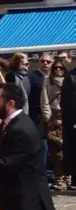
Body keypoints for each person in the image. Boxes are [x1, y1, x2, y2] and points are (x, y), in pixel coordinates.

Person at [0, 82, 56, 210]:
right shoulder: (12, 123)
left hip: (29, 206)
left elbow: (8, 164)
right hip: (18, 202)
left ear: (10, 103)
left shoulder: (21, 128)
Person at [46, 61, 67, 189]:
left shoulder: (69, 80)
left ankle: (68, 178)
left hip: (68, 117)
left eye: (61, 67)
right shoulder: (48, 81)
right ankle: (59, 179)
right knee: (57, 154)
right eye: (56, 67)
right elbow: (44, 101)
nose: (58, 70)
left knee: (68, 153)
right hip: (54, 116)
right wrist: (48, 117)